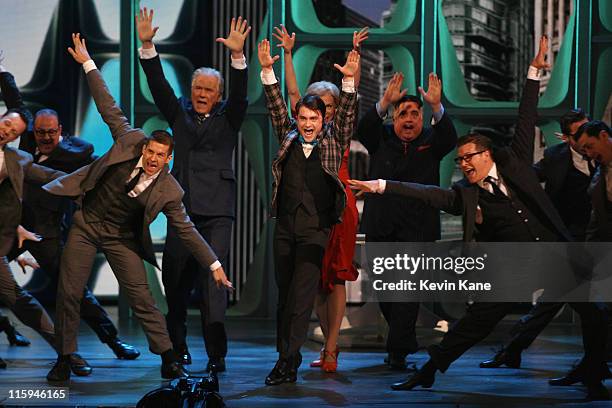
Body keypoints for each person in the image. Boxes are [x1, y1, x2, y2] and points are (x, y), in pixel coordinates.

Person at [350, 36, 610, 401]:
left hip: (555, 255)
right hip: (514, 269)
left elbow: (526, 115)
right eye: (460, 161)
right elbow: (425, 192)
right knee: (474, 324)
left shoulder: (516, 164)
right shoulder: (465, 193)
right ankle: (428, 371)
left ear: (486, 154)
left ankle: (595, 373)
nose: (465, 164)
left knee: (594, 312)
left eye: (470, 157)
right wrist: (379, 185)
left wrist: (534, 71)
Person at [45, 34, 232, 382]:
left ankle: (167, 356)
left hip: (120, 237)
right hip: (87, 225)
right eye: (150, 153)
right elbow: (107, 106)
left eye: (160, 157)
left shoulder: (170, 190)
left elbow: (187, 230)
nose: (152, 160)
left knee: (143, 298)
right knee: (69, 291)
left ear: (168, 159)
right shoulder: (130, 141)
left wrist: (214, 263)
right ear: (144, 148)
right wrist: (88, 63)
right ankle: (65, 356)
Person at [0, 61, 140, 360]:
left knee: (74, 291)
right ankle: (9, 330)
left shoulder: (78, 152)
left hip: (46, 235)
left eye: (51, 132)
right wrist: (3, 73)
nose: (46, 137)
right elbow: (16, 105)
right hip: (12, 229)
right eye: (40, 133)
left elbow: (102, 169)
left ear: (60, 130)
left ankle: (112, 341)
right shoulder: (22, 145)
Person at [136, 8, 250, 372]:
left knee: (214, 284)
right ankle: (178, 350)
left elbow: (243, 90)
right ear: (192, 90)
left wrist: (237, 55)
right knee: (176, 284)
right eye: (198, 88)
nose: (202, 94)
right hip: (181, 211)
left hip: (218, 211)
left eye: (209, 90)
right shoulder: (178, 112)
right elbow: (158, 85)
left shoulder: (230, 116)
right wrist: (148, 45)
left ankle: (216, 356)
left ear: (218, 96)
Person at [257, 38, 358, 385]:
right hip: (285, 225)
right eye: (302, 117)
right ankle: (288, 354)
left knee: (302, 297)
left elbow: (345, 115)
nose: (307, 123)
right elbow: (274, 105)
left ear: (321, 118)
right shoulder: (288, 136)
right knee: (284, 297)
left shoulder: (333, 140)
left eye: (313, 118)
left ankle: (286, 363)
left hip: (316, 229)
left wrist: (348, 81)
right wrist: (268, 69)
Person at [479, 109, 604, 375]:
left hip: (598, 243)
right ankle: (593, 365)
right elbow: (525, 178)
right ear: (567, 138)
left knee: (568, 302)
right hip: (567, 244)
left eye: (587, 129)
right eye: (578, 133)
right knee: (571, 302)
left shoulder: (604, 154)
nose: (584, 136)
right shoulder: (555, 157)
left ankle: (515, 350)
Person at [357, 64, 457, 369]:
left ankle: (397, 353)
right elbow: (363, 129)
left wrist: (437, 105)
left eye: (415, 113)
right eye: (403, 114)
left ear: (422, 118)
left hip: (417, 231)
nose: (409, 118)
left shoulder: (432, 142)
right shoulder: (381, 138)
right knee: (386, 292)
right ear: (394, 119)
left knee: (406, 293)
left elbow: (450, 137)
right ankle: (404, 340)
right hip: (381, 229)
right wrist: (385, 102)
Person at [0, 107, 92, 375]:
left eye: (13, 131)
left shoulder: (15, 159)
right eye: (6, 123)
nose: (7, 131)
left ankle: (67, 352)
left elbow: (50, 177)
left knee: (19, 299)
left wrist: (85, 185)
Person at [573, 120, 612, 241]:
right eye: (585, 151)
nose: (589, 154)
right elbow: (597, 220)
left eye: (590, 146)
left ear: (604, 136)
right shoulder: (598, 181)